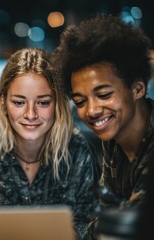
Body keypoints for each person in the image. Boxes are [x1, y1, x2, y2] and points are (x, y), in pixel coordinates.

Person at [0, 48, 99, 240]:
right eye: (19, 102)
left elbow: (88, 226)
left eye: (43, 103)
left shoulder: (78, 151)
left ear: (57, 103)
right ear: (3, 102)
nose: (31, 114)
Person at [53, 14, 154, 239]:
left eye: (104, 95)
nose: (91, 110)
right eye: (80, 101)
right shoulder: (115, 142)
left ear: (137, 89)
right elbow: (103, 219)